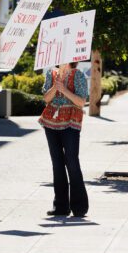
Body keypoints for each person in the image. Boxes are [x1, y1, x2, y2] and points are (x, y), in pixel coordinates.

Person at [40, 61, 89, 218]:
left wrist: (64, 90)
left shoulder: (78, 75)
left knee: (72, 161)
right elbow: (46, 98)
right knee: (57, 163)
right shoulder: (50, 74)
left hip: (70, 121)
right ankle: (60, 206)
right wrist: (56, 87)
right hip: (51, 122)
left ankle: (79, 207)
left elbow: (81, 102)